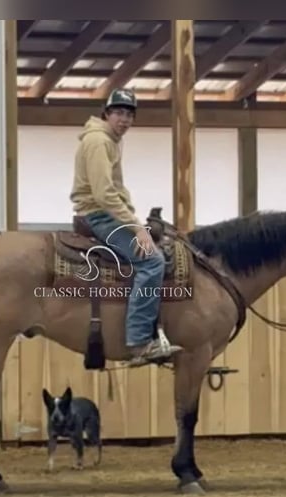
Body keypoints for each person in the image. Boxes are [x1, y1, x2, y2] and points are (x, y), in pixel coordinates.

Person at [70, 88, 183, 366]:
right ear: (106, 114)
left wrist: (132, 217)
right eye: (119, 113)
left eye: (129, 114)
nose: (124, 119)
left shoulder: (110, 140)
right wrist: (137, 227)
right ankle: (139, 341)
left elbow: (117, 190)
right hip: (98, 216)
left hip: (106, 214)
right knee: (152, 261)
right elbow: (104, 193)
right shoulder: (99, 141)